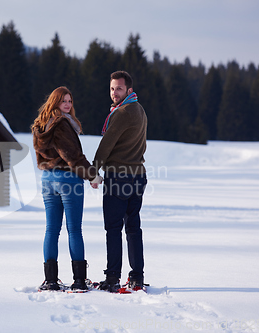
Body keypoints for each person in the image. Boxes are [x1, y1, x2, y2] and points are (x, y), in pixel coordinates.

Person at [32, 86, 101, 291]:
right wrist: (92, 175)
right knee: (74, 230)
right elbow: (73, 156)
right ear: (55, 102)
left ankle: (51, 280)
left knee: (51, 230)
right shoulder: (61, 124)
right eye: (64, 101)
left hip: (47, 179)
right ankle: (79, 281)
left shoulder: (41, 125)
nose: (68, 105)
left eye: (70, 101)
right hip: (68, 180)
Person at [92, 71, 148, 292]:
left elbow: (106, 145)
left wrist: (93, 171)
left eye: (119, 89)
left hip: (119, 177)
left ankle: (113, 277)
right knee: (133, 228)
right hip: (138, 176)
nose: (115, 93)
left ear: (129, 91)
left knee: (113, 228)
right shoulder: (140, 110)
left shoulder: (122, 113)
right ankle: (137, 276)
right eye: (112, 88)